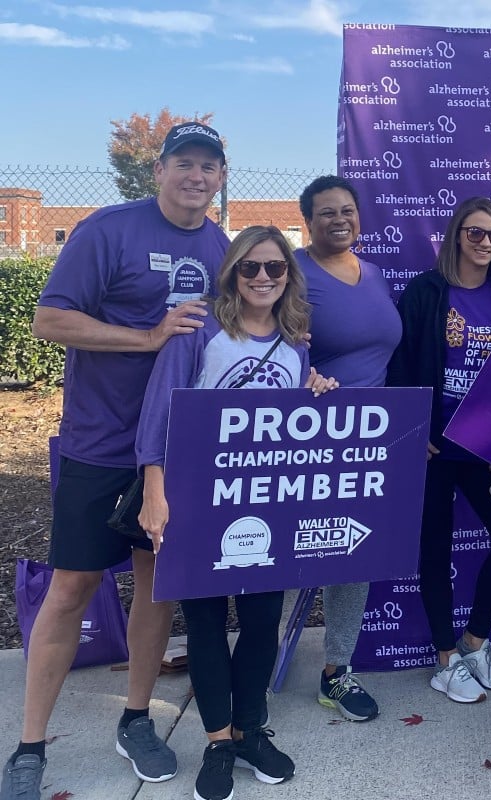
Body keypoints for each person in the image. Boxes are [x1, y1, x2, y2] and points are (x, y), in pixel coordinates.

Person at [4, 122, 229, 800]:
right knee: (72, 586)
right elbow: (51, 319)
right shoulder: (108, 230)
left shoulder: (223, 245)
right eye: (183, 163)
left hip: (172, 447)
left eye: (208, 167)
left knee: (156, 579)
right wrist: (147, 336)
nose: (196, 176)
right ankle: (29, 745)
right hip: (99, 445)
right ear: (157, 170)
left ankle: (136, 719)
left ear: (221, 177)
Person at [136, 225, 335, 800]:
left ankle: (251, 730)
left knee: (259, 622)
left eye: (275, 268)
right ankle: (218, 740)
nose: (263, 278)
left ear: (288, 277)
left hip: (266, 501)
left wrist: (314, 390)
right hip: (198, 498)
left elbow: (292, 423)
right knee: (202, 622)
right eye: (251, 268)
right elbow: (160, 412)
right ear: (232, 273)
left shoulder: (296, 341)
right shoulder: (199, 330)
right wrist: (155, 488)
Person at [387, 196, 491, 703]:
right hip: (433, 445)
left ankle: (475, 641)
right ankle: (445, 657)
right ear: (455, 236)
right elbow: (399, 363)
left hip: (486, 446)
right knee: (434, 546)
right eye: (475, 233)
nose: (485, 242)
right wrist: (411, 424)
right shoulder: (425, 291)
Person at [293, 175, 403, 721]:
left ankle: (336, 671)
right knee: (288, 552)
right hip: (306, 436)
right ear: (308, 221)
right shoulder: (291, 270)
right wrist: (305, 377)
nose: (340, 220)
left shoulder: (377, 275)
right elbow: (262, 340)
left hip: (369, 440)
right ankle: (261, 664)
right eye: (326, 212)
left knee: (350, 555)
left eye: (348, 211)